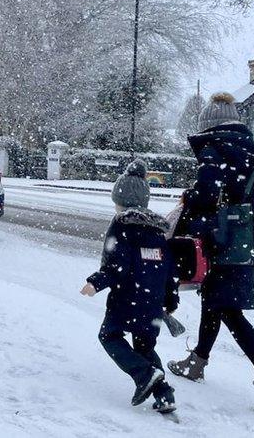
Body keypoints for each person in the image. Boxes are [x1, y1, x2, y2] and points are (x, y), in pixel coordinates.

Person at [166, 92, 254, 417]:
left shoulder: (213, 150)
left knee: (228, 311)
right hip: (243, 242)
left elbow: (207, 194)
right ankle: (197, 362)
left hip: (216, 242)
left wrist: (191, 199)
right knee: (216, 302)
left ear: (209, 126)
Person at [81, 160, 180, 415]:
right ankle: (164, 393)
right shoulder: (158, 230)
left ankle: (145, 375)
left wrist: (95, 282)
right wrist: (170, 298)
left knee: (109, 336)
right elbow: (169, 268)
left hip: (127, 299)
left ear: (121, 201)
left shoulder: (121, 224)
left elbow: (117, 266)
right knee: (145, 347)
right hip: (153, 302)